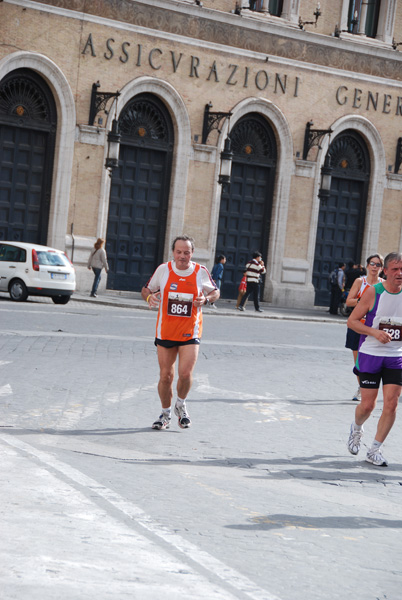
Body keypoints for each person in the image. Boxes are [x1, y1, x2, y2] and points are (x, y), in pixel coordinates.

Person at [141, 236, 219, 430]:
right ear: (173, 252)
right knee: (166, 376)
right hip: (166, 330)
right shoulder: (163, 270)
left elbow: (216, 292)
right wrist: (150, 297)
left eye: (186, 252)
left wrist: (207, 300)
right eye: (179, 252)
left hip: (190, 330)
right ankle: (165, 414)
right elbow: (146, 289)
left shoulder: (200, 271)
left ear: (192, 253)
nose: (182, 256)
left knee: (185, 373)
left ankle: (181, 404)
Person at [347, 252, 402, 467]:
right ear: (385, 271)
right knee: (368, 406)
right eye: (395, 269)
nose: (399, 273)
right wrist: (374, 332)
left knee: (391, 405)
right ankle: (357, 428)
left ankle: (375, 449)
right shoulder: (373, 293)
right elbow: (352, 322)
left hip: (395, 357)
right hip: (371, 354)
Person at [345, 253, 384, 402]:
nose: (374, 267)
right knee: (358, 361)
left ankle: (367, 387)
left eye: (378, 264)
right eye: (372, 264)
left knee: (374, 358)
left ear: (382, 268)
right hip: (357, 326)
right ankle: (362, 387)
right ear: (367, 266)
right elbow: (349, 301)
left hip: (375, 328)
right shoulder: (359, 281)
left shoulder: (383, 284)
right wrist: (364, 300)